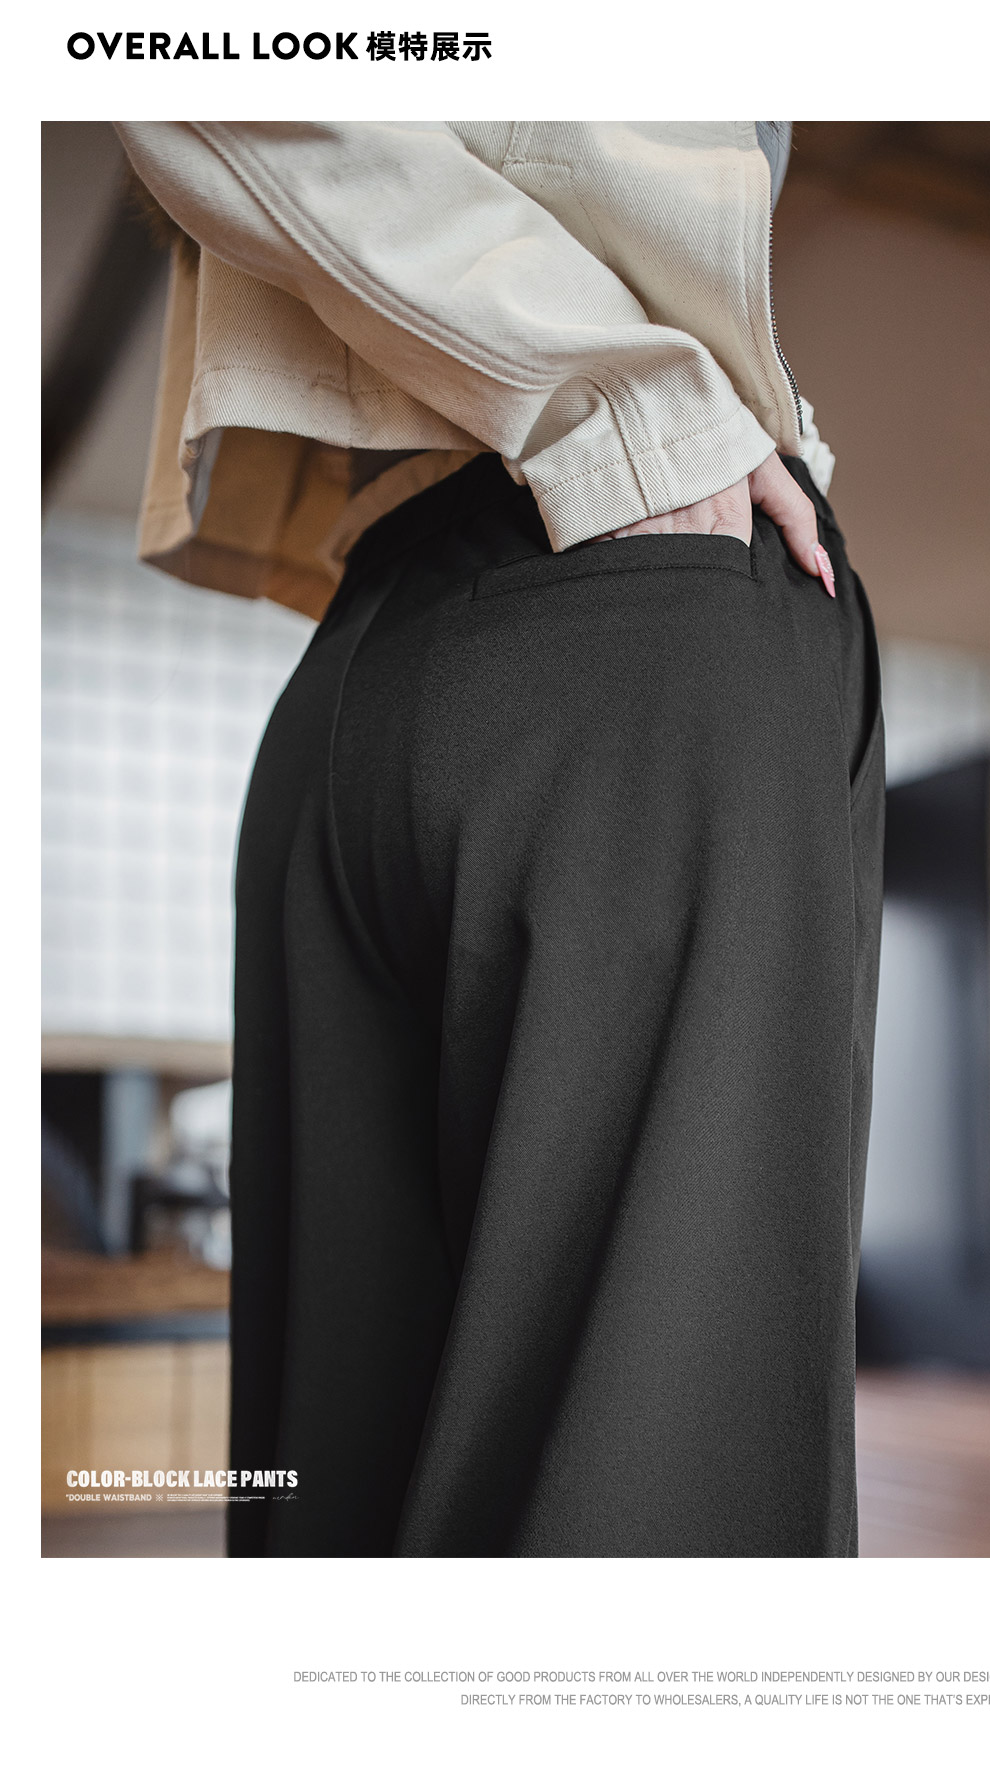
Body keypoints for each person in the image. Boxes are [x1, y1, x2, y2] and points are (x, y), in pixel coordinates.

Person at [116, 121, 885, 1557]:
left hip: (374, 647)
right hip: (647, 620)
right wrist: (626, 410)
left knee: (337, 1498)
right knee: (664, 1515)